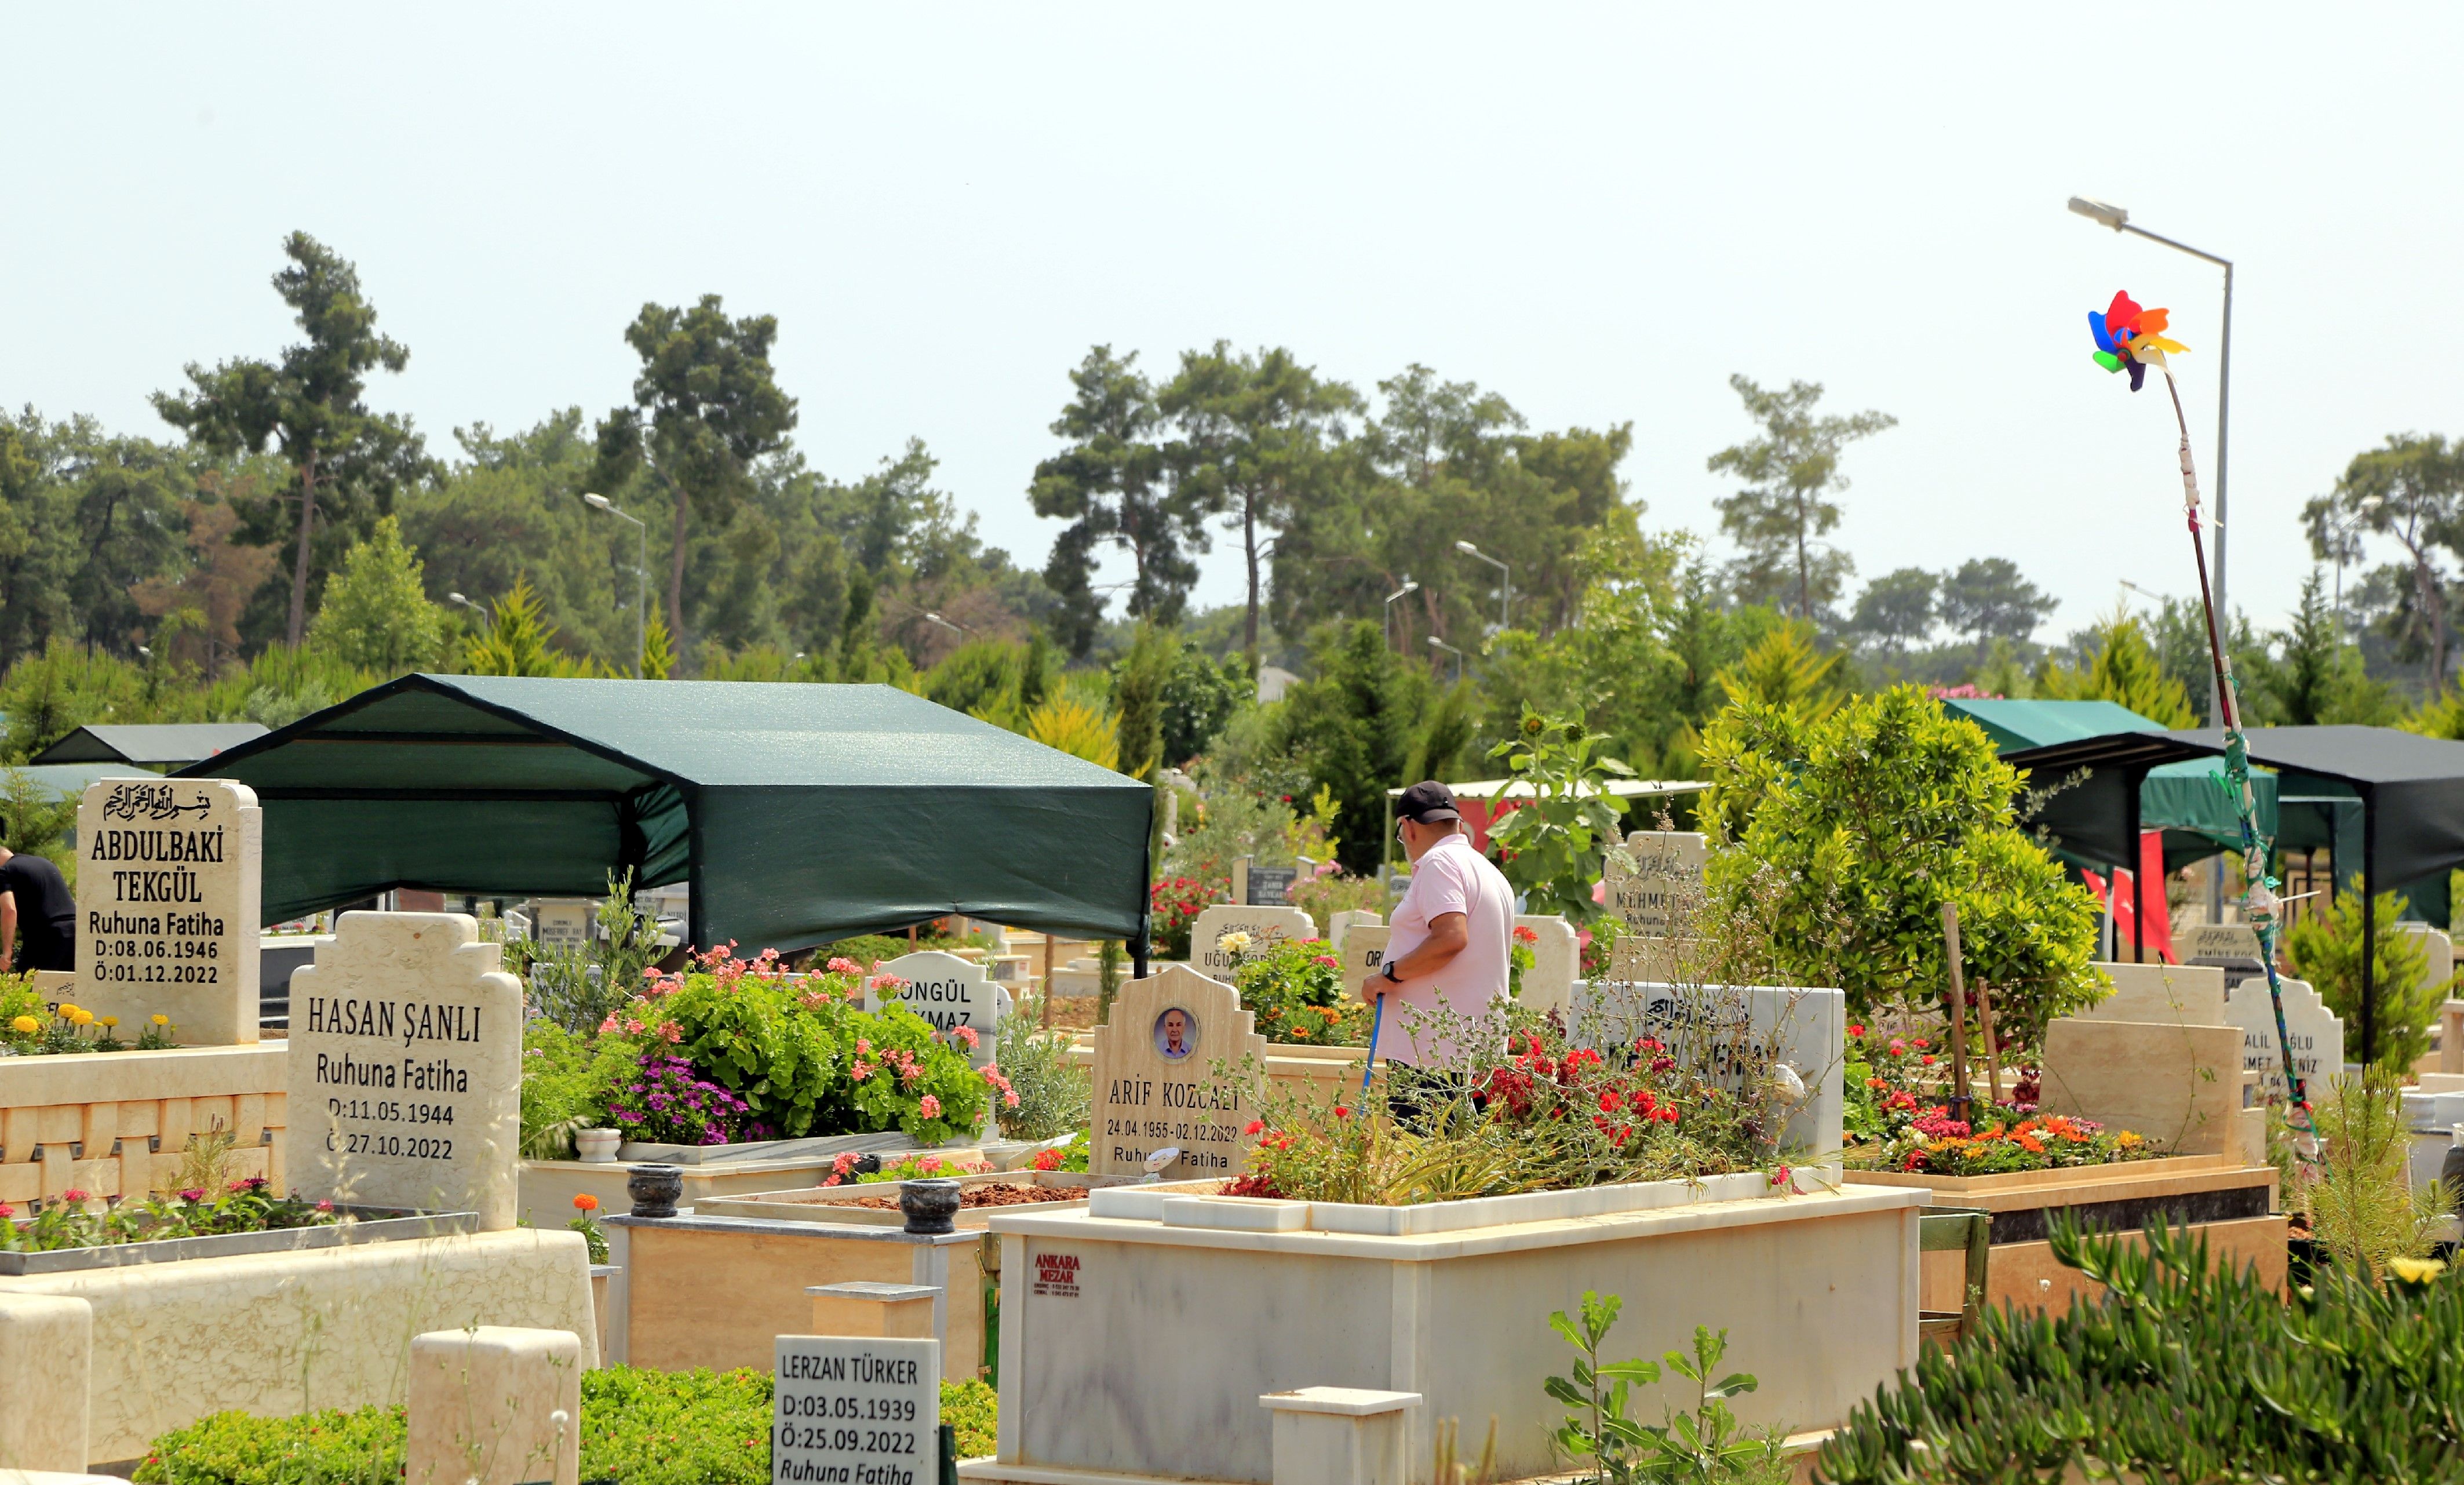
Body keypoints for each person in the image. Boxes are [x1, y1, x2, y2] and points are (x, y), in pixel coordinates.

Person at [1367, 780, 1512, 1124]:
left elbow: (1450, 938)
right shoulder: (1486, 869)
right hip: (1471, 1046)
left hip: (1433, 1051)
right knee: (1458, 1164)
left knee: (1427, 1163)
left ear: (1408, 827)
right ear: (1458, 823)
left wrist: (1387, 975)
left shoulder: (1439, 864)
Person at [0, 829, 76, 974]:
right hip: (75, 931)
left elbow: (9, 910)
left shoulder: (5, 871)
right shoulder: (43, 863)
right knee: (66, 991)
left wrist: (7, 952)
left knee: (30, 989)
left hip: (45, 937)